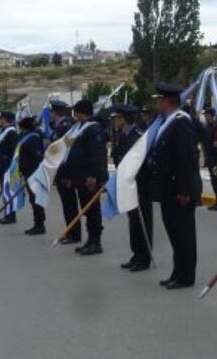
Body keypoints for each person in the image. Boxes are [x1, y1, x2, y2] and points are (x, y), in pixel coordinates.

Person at [147, 82, 202, 289]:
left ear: (167, 101)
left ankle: (186, 276)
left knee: (184, 233)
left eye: (159, 100)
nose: (157, 104)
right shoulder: (167, 121)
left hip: (179, 190)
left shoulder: (180, 122)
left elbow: (186, 159)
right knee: (174, 232)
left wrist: (184, 190)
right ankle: (177, 272)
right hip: (168, 189)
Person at [111, 103, 152, 271]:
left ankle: (144, 258)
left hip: (139, 185)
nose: (115, 121)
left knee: (142, 222)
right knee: (133, 221)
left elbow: (142, 162)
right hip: (128, 185)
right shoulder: (123, 135)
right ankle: (136, 254)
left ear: (125, 118)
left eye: (118, 118)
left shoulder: (137, 136)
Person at [66, 99, 108, 255]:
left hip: (88, 178)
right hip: (79, 176)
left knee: (92, 210)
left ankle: (96, 242)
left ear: (81, 112)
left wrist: (93, 176)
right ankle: (90, 240)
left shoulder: (93, 128)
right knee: (86, 209)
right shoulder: (81, 127)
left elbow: (97, 155)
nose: (74, 115)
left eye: (76, 112)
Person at [50, 101, 81, 245]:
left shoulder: (65, 128)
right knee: (67, 203)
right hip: (61, 170)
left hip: (65, 171)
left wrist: (68, 175)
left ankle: (74, 234)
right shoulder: (62, 126)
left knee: (70, 203)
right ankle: (70, 231)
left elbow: (67, 152)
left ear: (55, 112)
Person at [16, 116, 47, 235]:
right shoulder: (26, 136)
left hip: (33, 172)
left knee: (35, 199)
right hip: (27, 171)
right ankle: (37, 223)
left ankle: (40, 225)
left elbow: (37, 155)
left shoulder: (33, 138)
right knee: (32, 198)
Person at [0, 111, 20, 225]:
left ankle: (11, 216)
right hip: (2, 165)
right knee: (5, 191)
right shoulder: (2, 131)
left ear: (6, 119)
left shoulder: (11, 132)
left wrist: (6, 162)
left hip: (7, 165)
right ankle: (8, 214)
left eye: (1, 118)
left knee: (8, 191)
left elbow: (12, 151)